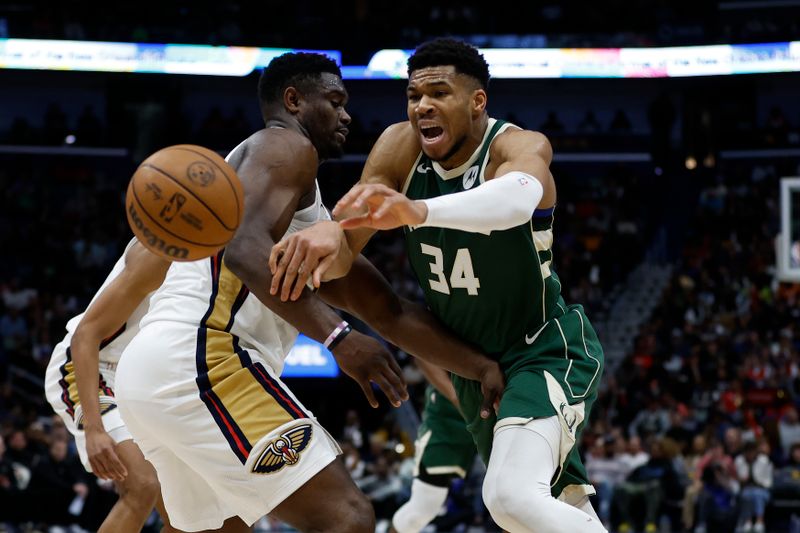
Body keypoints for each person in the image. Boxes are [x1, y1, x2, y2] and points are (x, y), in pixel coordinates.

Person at [115, 52, 503, 533]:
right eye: (336, 102)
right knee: (347, 518)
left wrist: (481, 366)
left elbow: (386, 311)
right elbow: (242, 249)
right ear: (293, 101)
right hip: (204, 358)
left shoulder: (302, 213)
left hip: (155, 370)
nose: (347, 116)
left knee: (220, 527)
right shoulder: (284, 146)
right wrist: (339, 338)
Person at [270, 38, 606, 532]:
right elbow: (346, 250)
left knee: (508, 496)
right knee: (549, 510)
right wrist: (324, 238)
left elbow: (517, 198)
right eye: (413, 95)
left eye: (439, 93)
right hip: (472, 366)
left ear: (477, 102)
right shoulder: (401, 147)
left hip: (542, 350)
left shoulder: (517, 147)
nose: (422, 105)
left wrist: (418, 210)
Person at [43, 238, 179, 533]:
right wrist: (94, 429)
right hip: (91, 367)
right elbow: (85, 336)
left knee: (189, 517)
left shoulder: (215, 266)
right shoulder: (159, 254)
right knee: (142, 486)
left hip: (142, 381)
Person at [391, 359, 478, 533]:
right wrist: (457, 399)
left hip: (505, 397)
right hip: (449, 410)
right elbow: (421, 355)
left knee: (510, 498)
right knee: (422, 508)